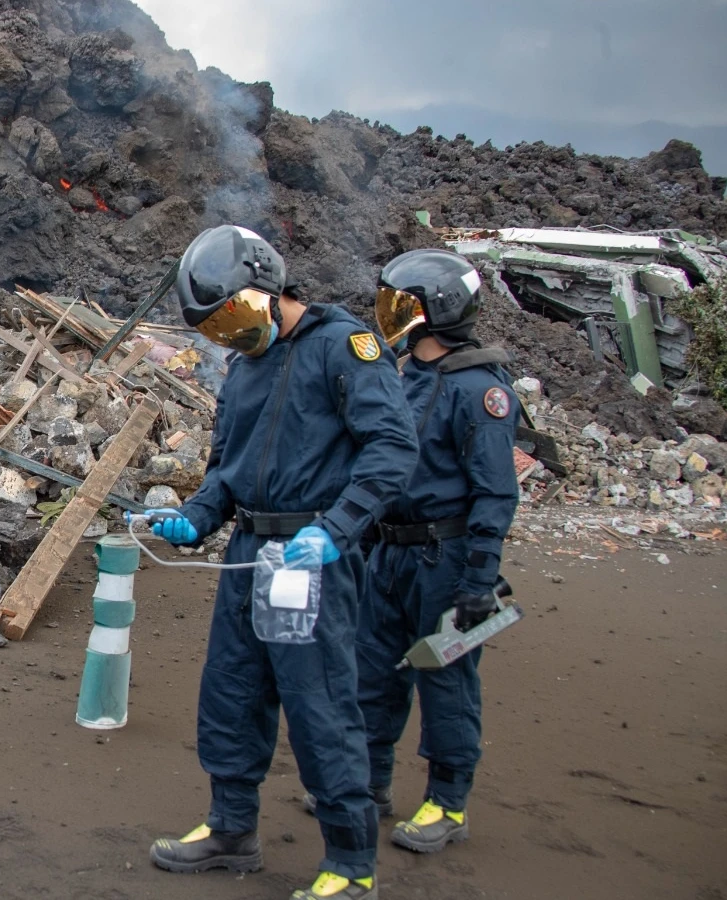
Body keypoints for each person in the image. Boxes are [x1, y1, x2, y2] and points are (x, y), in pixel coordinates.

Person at [145, 225, 418, 900]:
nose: (229, 336)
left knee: (321, 705)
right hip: (250, 553)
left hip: (312, 558)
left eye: (233, 316)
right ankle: (232, 829)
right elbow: (226, 469)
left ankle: (352, 866)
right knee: (232, 692)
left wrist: (339, 528)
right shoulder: (245, 369)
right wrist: (198, 517)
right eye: (215, 328)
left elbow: (391, 448)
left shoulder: (345, 348)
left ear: (269, 286)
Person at [350, 248, 520, 853]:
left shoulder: (479, 393)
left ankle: (447, 804)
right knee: (373, 676)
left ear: (437, 310)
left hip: (444, 561)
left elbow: (496, 494)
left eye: (403, 305)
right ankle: (368, 788)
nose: (390, 314)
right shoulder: (404, 374)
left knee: (444, 681)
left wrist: (480, 580)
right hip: (391, 555)